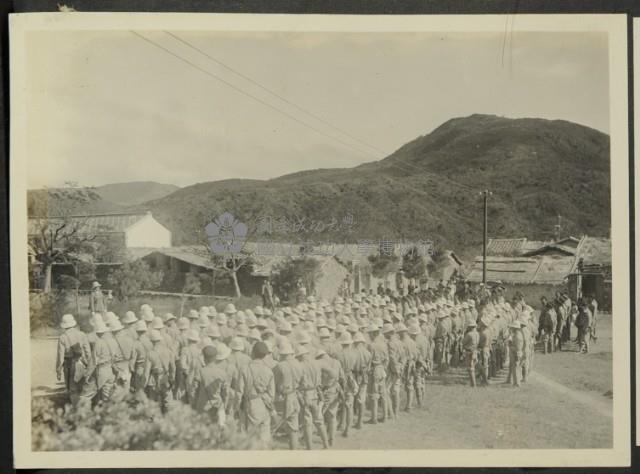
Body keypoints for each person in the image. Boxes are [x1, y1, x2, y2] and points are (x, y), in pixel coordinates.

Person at [238, 341, 275, 446]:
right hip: (263, 404)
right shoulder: (268, 370)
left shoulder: (244, 368)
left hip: (250, 403)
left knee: (249, 435)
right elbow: (271, 394)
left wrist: (237, 407)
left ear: (253, 352)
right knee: (264, 435)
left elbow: (239, 391)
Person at [55, 314, 91, 405]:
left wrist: (58, 370)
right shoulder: (82, 334)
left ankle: (76, 409)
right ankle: (84, 409)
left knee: (72, 389)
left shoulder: (63, 337)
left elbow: (60, 356)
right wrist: (89, 364)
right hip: (81, 363)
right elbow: (88, 352)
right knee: (82, 386)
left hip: (69, 365)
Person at [272, 340, 301, 450]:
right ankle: (294, 453)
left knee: (273, 425)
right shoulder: (298, 364)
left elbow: (273, 382)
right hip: (294, 395)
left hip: (281, 398)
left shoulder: (279, 366)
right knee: (293, 428)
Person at [193, 345, 228, 425]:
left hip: (202, 407)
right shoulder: (222, 373)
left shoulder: (200, 372)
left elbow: (194, 391)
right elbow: (225, 393)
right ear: (215, 357)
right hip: (218, 407)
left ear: (204, 358)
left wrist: (194, 404)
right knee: (219, 432)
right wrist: (224, 405)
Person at [145, 329, 176, 413]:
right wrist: (172, 379)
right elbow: (173, 367)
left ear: (151, 341)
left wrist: (144, 384)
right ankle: (168, 420)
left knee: (154, 403)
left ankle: (154, 421)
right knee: (168, 402)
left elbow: (146, 373)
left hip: (153, 380)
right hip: (165, 378)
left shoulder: (150, 353)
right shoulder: (168, 351)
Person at [462, 321, 479, 387]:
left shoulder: (469, 334)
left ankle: (473, 384)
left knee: (470, 369)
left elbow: (463, 342)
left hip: (469, 351)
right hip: (474, 351)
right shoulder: (477, 333)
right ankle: (473, 383)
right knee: (472, 367)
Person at [507, 322, 524, 387]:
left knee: (516, 368)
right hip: (516, 352)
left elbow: (518, 348)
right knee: (515, 368)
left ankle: (517, 383)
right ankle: (515, 382)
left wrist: (510, 346)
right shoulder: (516, 334)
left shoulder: (518, 336)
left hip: (516, 353)